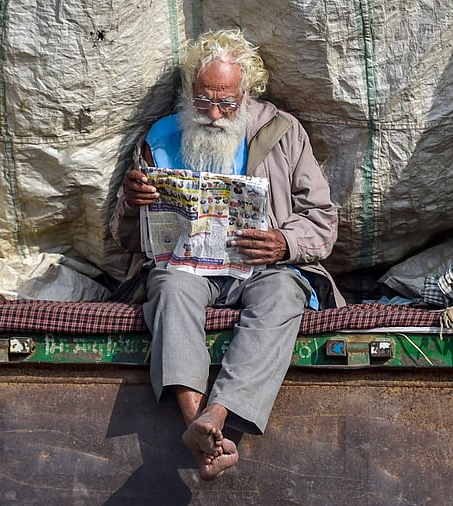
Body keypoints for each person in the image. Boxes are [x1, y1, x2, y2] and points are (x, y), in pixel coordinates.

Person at [110, 29, 344, 481]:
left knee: (282, 295)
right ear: (189, 93)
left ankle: (214, 416)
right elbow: (128, 240)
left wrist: (283, 242)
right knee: (169, 287)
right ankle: (197, 422)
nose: (214, 114)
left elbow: (322, 220)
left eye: (226, 103)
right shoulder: (160, 138)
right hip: (189, 269)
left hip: (263, 269)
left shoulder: (283, 132)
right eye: (203, 102)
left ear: (247, 93)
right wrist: (130, 201)